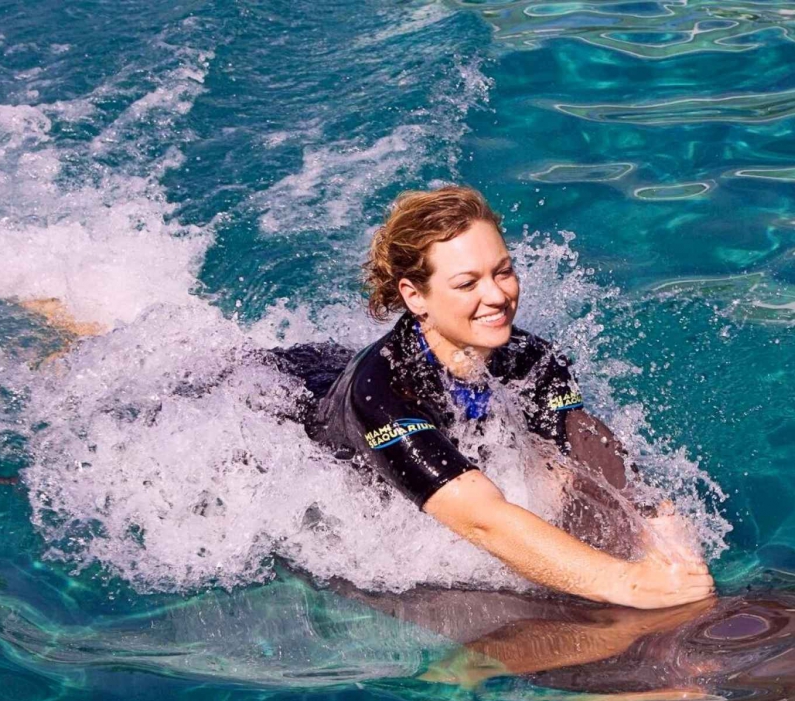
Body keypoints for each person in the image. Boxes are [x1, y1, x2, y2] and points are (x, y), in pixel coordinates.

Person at [302, 185, 714, 610]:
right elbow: (481, 520)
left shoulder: (532, 360)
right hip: (289, 403)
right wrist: (626, 583)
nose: (497, 296)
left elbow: (584, 464)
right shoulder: (382, 394)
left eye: (502, 271)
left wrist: (671, 549)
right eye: (467, 283)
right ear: (414, 296)